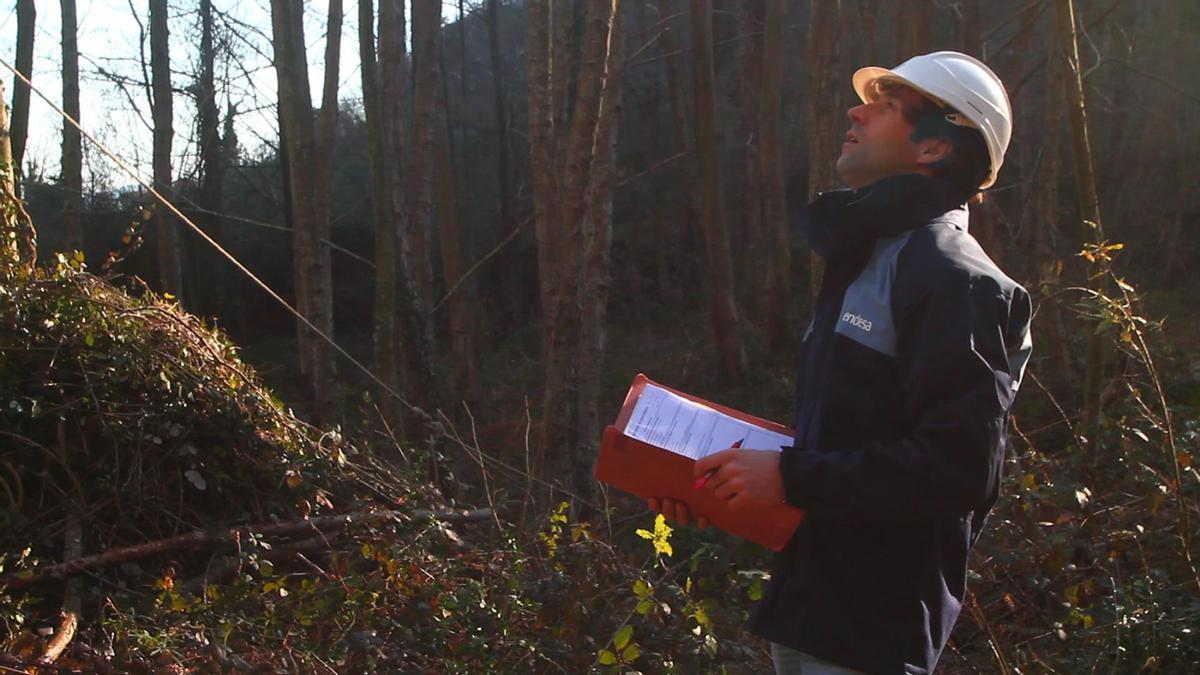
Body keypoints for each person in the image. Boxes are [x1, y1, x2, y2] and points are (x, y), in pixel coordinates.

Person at [649, 51, 1033, 674]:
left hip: (872, 633)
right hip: (811, 609)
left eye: (885, 106)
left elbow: (959, 469)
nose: (855, 109)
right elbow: (850, 440)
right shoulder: (871, 258)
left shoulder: (957, 280)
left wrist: (791, 478)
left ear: (934, 148)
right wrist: (723, 483)